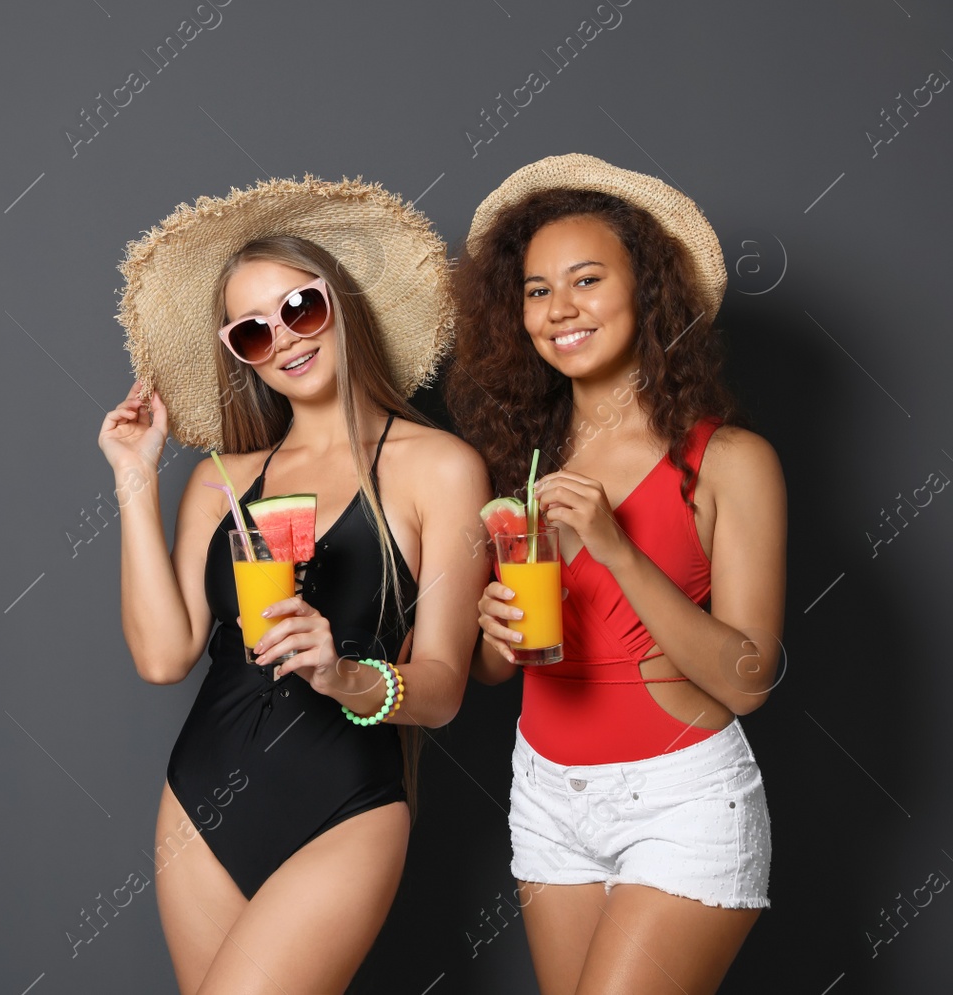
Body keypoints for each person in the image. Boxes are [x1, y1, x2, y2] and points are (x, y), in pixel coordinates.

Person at [100, 175, 490, 994]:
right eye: (251, 331)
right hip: (201, 796)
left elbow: (446, 687)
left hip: (347, 802)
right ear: (240, 354)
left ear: (340, 302)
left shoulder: (440, 467)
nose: (283, 338)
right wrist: (136, 481)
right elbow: (165, 655)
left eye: (300, 308)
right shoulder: (219, 480)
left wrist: (342, 672)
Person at [447, 153, 784, 994]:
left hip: (680, 799)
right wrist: (493, 632)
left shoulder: (730, 461)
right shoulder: (521, 465)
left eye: (587, 279)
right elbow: (500, 667)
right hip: (547, 794)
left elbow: (749, 680)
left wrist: (619, 546)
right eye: (535, 290)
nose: (560, 308)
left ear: (647, 291)